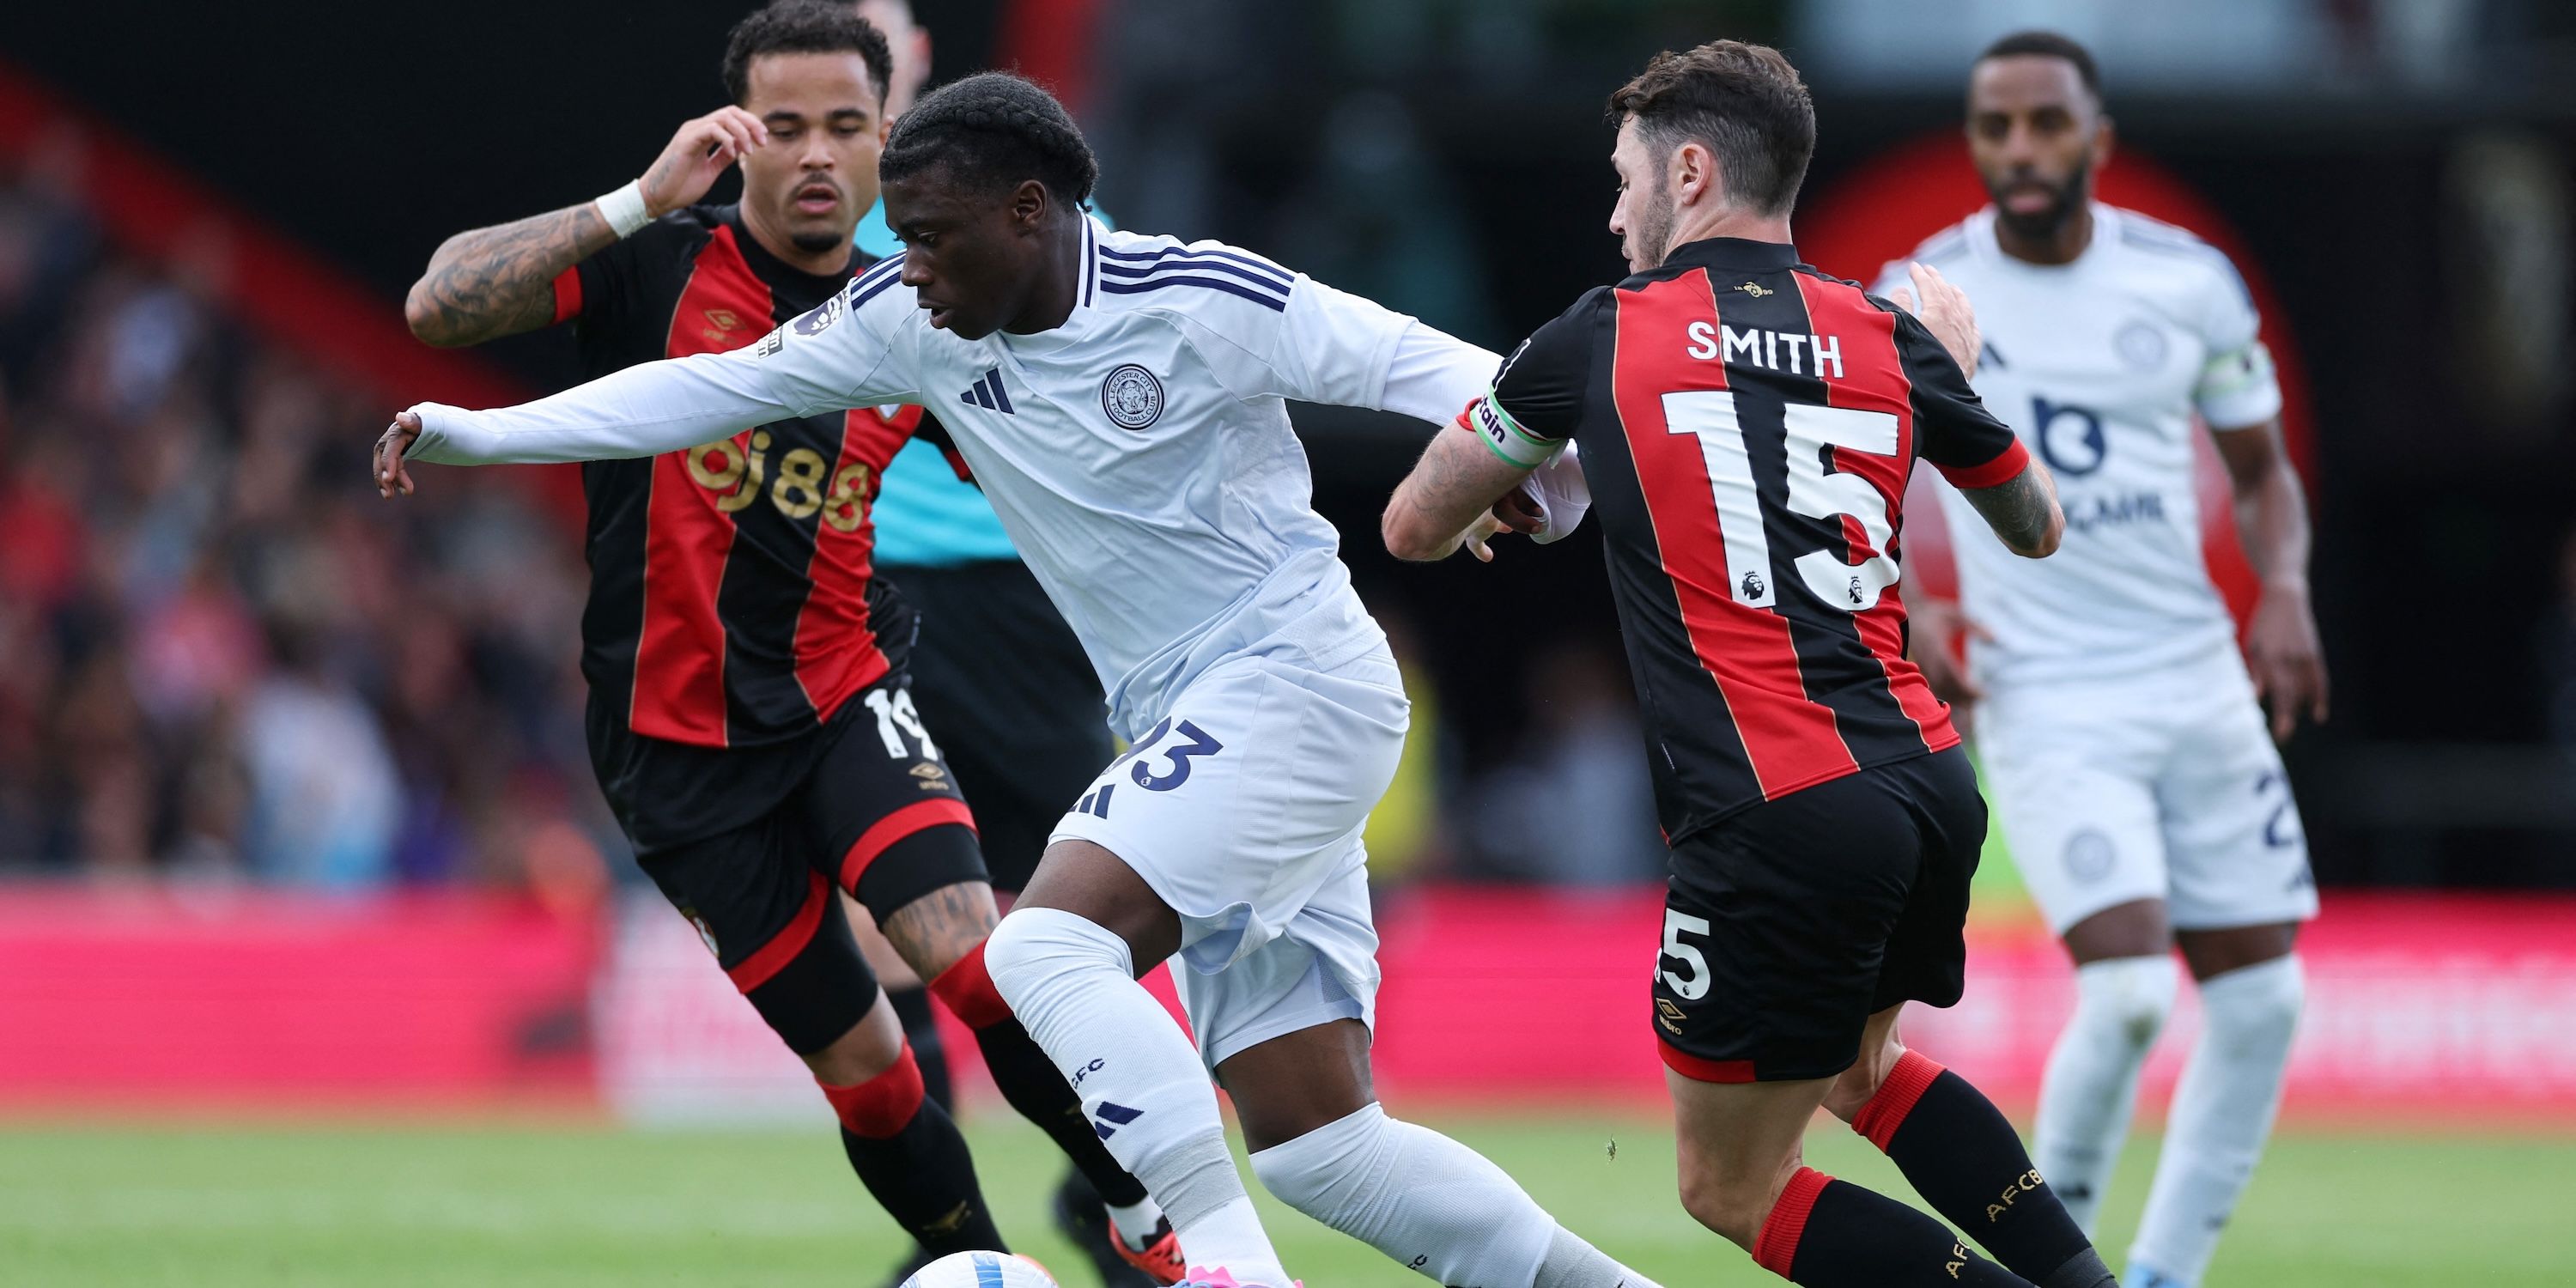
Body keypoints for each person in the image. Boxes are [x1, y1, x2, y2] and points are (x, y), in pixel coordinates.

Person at [378, 69, 1656, 1288]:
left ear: (1029, 212)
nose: (908, 264)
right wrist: (483, 435)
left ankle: (1221, 1262)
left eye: (930, 235)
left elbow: (1435, 370)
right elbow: (713, 390)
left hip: (1294, 681)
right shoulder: (911, 323)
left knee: (1044, 949)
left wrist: (1540, 474)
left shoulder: (1203, 296)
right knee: (1323, 1149)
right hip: (1193, 718)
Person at [395, 7, 1173, 1277]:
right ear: (732, 137)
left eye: (847, 129)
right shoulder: (655, 266)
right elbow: (440, 304)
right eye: (786, 127)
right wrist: (636, 199)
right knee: (868, 1080)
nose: (817, 156)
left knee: (980, 963)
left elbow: (1055, 458)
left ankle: (1149, 1221)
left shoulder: (919, 312)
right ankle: (963, 1259)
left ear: (886, 147)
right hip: (673, 753)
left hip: (843, 698)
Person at [1382, 40, 2127, 1288]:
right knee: (1860, 1071)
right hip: (1924, 780)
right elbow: (2038, 524)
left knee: (1727, 1188)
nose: (1614, 212)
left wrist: (1496, 496)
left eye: (1624, 180)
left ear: (1688, 170)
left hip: (1776, 809)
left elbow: (1412, 523)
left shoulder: (1600, 336)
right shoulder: (1891, 337)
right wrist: (1958, 378)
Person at [1877, 33, 2326, 1288]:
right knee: (2128, 992)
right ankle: (2050, 1266)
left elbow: (2261, 476)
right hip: (2047, 688)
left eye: (2045, 125)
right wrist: (1909, 600)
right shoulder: (1924, 293)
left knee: (2264, 1005)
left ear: (2097, 140)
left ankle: (2163, 1277)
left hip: (2194, 677)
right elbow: (1859, 477)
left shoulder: (2188, 282)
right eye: (1995, 127)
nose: (2020, 150)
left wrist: (2283, 585)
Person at [835, 7, 1151, 1280]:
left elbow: (1126, 344)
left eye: (877, 31)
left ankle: (1116, 1189)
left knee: (1080, 911)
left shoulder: (1004, 208)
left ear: (913, 60)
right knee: (891, 915)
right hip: (867, 595)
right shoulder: (776, 232)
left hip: (1025, 600)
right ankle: (945, 1232)